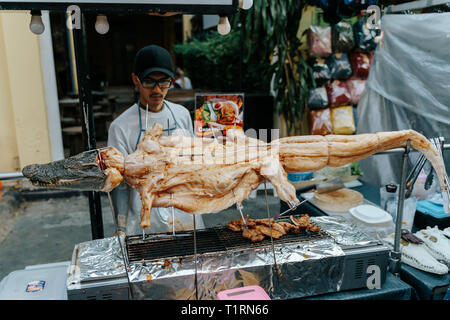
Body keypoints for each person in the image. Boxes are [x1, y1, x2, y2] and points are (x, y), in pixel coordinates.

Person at [107, 45, 205, 235]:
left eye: (164, 82)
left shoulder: (182, 114)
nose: (157, 90)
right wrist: (120, 227)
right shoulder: (120, 127)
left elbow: (196, 163)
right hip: (148, 224)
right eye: (149, 82)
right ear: (136, 80)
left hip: (188, 217)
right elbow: (118, 182)